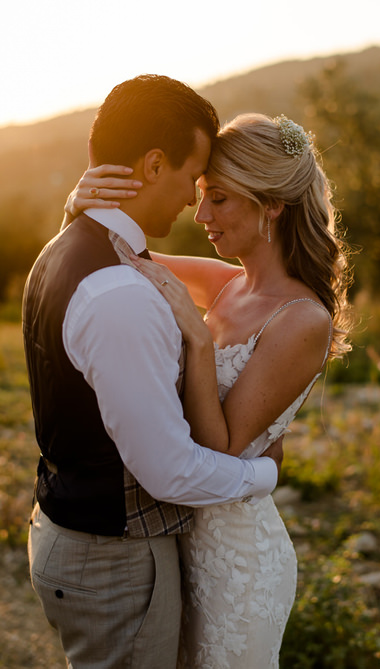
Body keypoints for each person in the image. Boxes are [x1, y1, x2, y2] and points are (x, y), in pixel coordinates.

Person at [63, 112, 352, 667]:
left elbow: (220, 446)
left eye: (218, 199)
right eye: (199, 196)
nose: (201, 216)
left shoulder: (301, 319)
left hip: (238, 562)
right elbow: (121, 253)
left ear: (271, 205)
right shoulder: (227, 283)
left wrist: (197, 340)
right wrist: (82, 206)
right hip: (179, 541)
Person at [23, 75, 284, 669]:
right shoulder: (120, 292)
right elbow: (167, 470)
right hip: (114, 561)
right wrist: (264, 475)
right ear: (153, 163)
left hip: (75, 533)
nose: (194, 203)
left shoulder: (65, 246)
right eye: (192, 179)